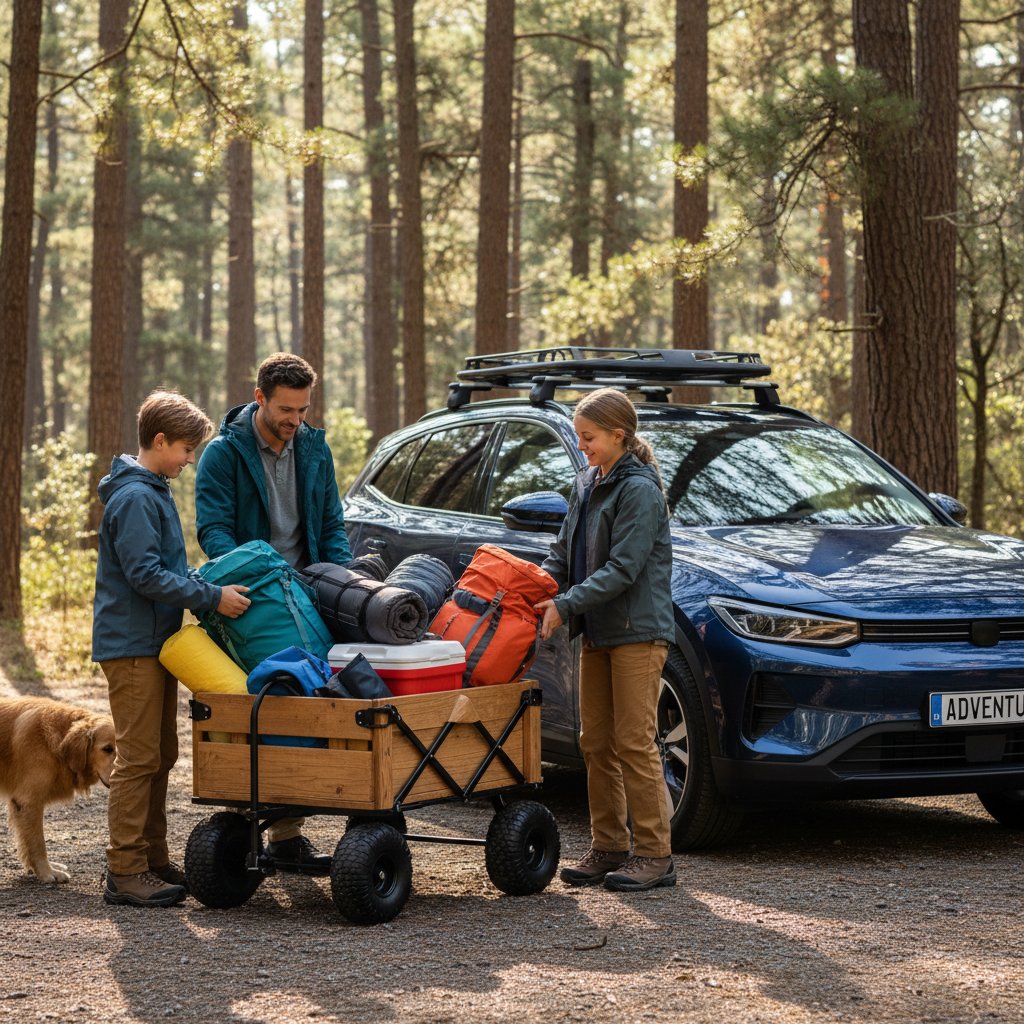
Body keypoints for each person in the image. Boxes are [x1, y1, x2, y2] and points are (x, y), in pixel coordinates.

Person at [93, 391, 251, 907]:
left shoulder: (152, 488)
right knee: (138, 758)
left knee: (163, 753)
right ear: (159, 441)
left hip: (156, 643)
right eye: (185, 449)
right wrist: (210, 596)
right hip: (133, 645)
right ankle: (125, 870)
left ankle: (152, 858)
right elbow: (143, 575)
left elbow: (165, 567)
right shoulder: (136, 496)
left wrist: (200, 580)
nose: (189, 459)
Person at [194, 352, 349, 872]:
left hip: (307, 595)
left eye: (303, 409)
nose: (296, 421)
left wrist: (340, 582)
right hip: (249, 598)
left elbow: (330, 525)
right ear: (259, 398)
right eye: (286, 409)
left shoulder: (313, 448)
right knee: (256, 705)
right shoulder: (223, 453)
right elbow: (213, 529)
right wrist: (246, 577)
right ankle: (243, 825)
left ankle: (286, 834)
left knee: (303, 702)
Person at [535, 387, 676, 892]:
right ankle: (609, 846)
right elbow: (563, 551)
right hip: (596, 631)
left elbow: (622, 569)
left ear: (620, 435)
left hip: (638, 632)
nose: (583, 446)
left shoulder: (638, 490)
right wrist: (537, 586)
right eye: (578, 437)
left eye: (589, 437)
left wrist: (565, 605)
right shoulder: (588, 481)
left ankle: (656, 856)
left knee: (634, 741)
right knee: (594, 741)